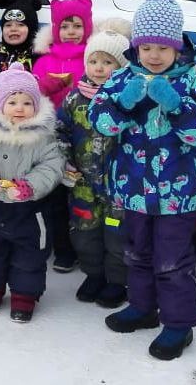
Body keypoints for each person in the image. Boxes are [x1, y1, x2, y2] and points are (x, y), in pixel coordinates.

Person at [88, 0, 196, 361]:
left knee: (172, 259)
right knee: (138, 253)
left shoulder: (193, 82)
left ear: (176, 45)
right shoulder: (122, 79)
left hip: (179, 193)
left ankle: (179, 324)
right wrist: (124, 107)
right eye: (147, 47)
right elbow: (101, 121)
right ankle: (143, 307)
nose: (154, 55)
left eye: (163, 47)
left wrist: (178, 107)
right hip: (133, 188)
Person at [0, 64, 65, 322]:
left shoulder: (45, 138)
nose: (20, 108)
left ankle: (24, 295)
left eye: (28, 102)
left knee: (30, 255)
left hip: (30, 209)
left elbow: (52, 165)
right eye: (13, 101)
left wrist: (31, 185)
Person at [56, 18, 132, 309]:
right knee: (85, 232)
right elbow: (60, 131)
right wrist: (65, 160)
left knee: (117, 234)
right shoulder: (74, 99)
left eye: (108, 62)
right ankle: (94, 274)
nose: (99, 68)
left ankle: (116, 280)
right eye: (94, 61)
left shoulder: (127, 101)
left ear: (123, 67)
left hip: (119, 186)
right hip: (83, 183)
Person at [32, 0, 94, 274]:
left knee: (83, 194)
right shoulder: (44, 61)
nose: (71, 32)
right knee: (56, 196)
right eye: (66, 26)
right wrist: (48, 86)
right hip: (51, 139)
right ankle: (63, 248)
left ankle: (88, 247)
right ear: (56, 29)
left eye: (77, 26)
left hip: (87, 139)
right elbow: (31, 95)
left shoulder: (92, 59)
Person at [0, 0, 42, 92]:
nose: (13, 29)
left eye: (20, 25)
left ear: (32, 30)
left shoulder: (39, 58)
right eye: (8, 25)